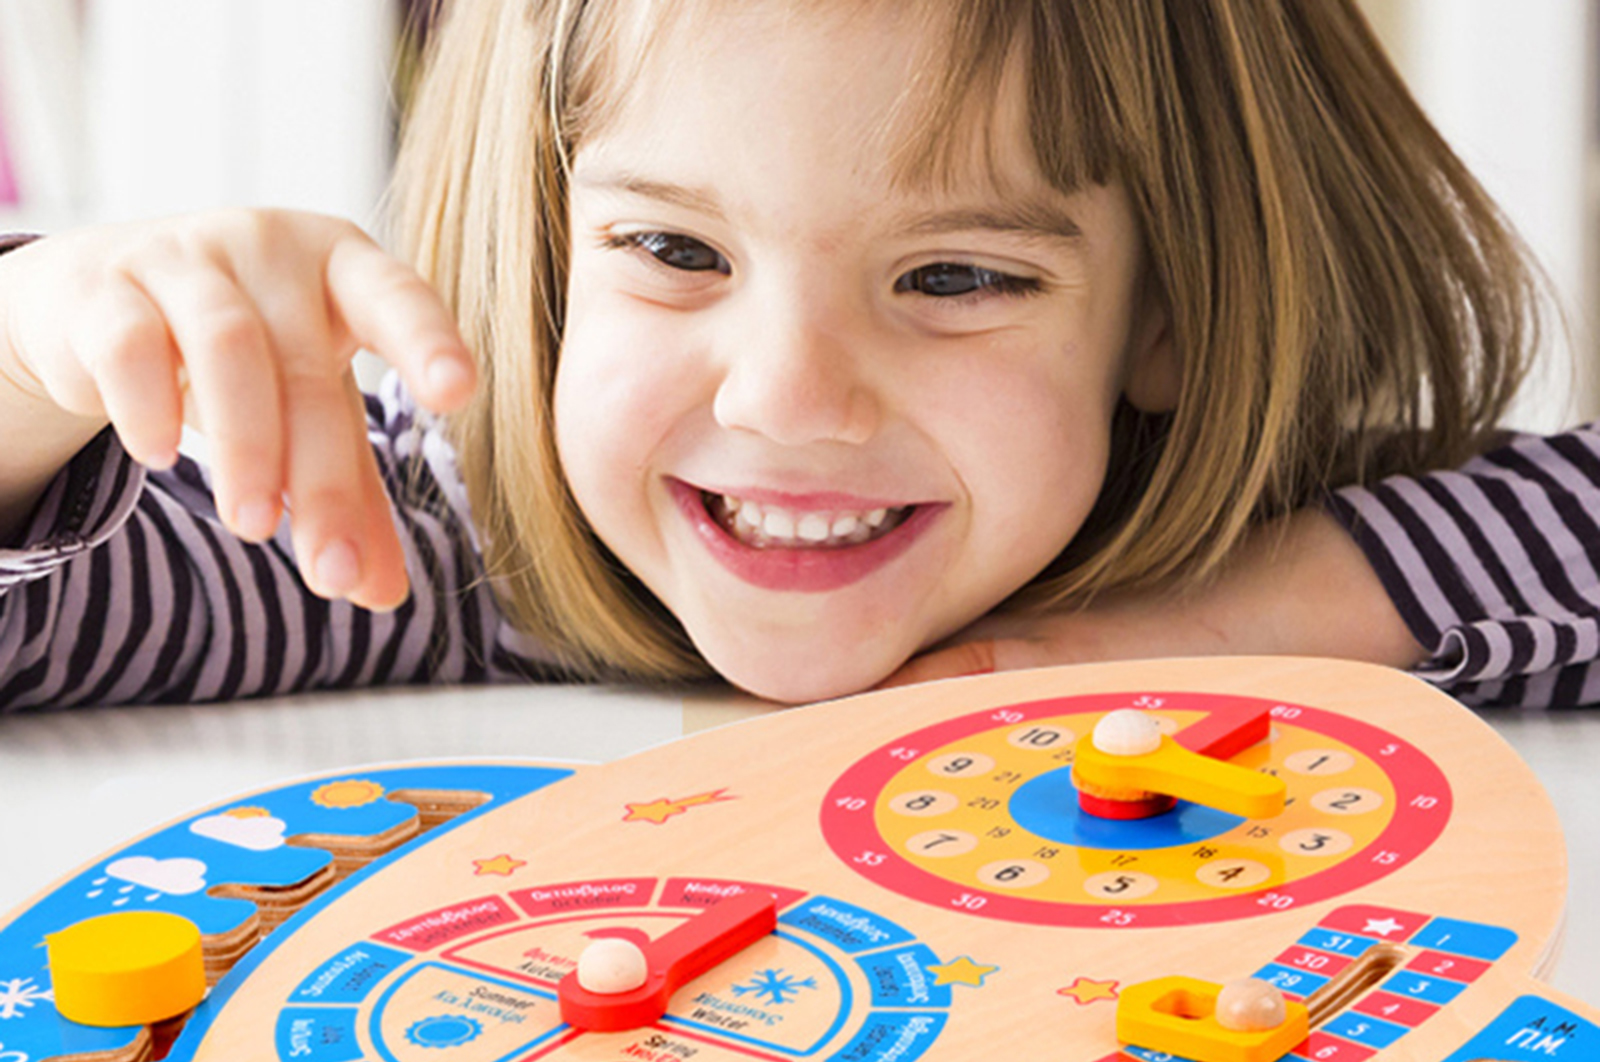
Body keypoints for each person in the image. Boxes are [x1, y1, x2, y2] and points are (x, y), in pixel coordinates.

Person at [1, 0, 1597, 713]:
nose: (785, 399)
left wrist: (1219, 623)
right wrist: (33, 355)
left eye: (955, 276)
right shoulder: (410, 544)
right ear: (547, 258)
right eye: (675, 252)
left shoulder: (1272, 542)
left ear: (1167, 316)